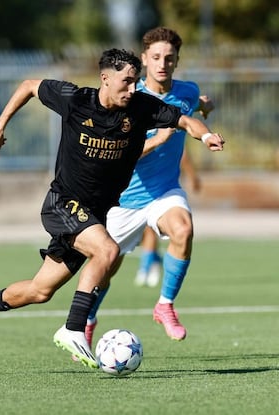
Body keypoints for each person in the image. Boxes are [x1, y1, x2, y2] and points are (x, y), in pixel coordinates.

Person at [0, 48, 224, 369]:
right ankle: (74, 328)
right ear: (105, 79)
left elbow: (184, 120)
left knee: (40, 290)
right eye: (126, 82)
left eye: (136, 82)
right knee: (107, 251)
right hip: (63, 203)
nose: (133, 89)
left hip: (93, 214)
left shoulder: (141, 107)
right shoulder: (76, 99)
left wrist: (204, 137)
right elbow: (28, 85)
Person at [83, 27, 218, 348]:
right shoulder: (129, 99)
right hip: (123, 200)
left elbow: (190, 107)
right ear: (144, 59)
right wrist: (156, 140)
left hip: (164, 192)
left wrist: (204, 111)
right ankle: (87, 322)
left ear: (176, 61)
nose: (162, 64)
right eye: (155, 57)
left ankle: (164, 305)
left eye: (169, 58)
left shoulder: (186, 91)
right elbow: (116, 152)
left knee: (183, 230)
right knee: (105, 270)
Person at [134, 148, 202, 287]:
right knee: (140, 232)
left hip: (160, 188)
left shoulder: (167, 129)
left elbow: (183, 153)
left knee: (149, 228)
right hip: (134, 188)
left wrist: (192, 176)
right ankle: (153, 258)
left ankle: (146, 265)